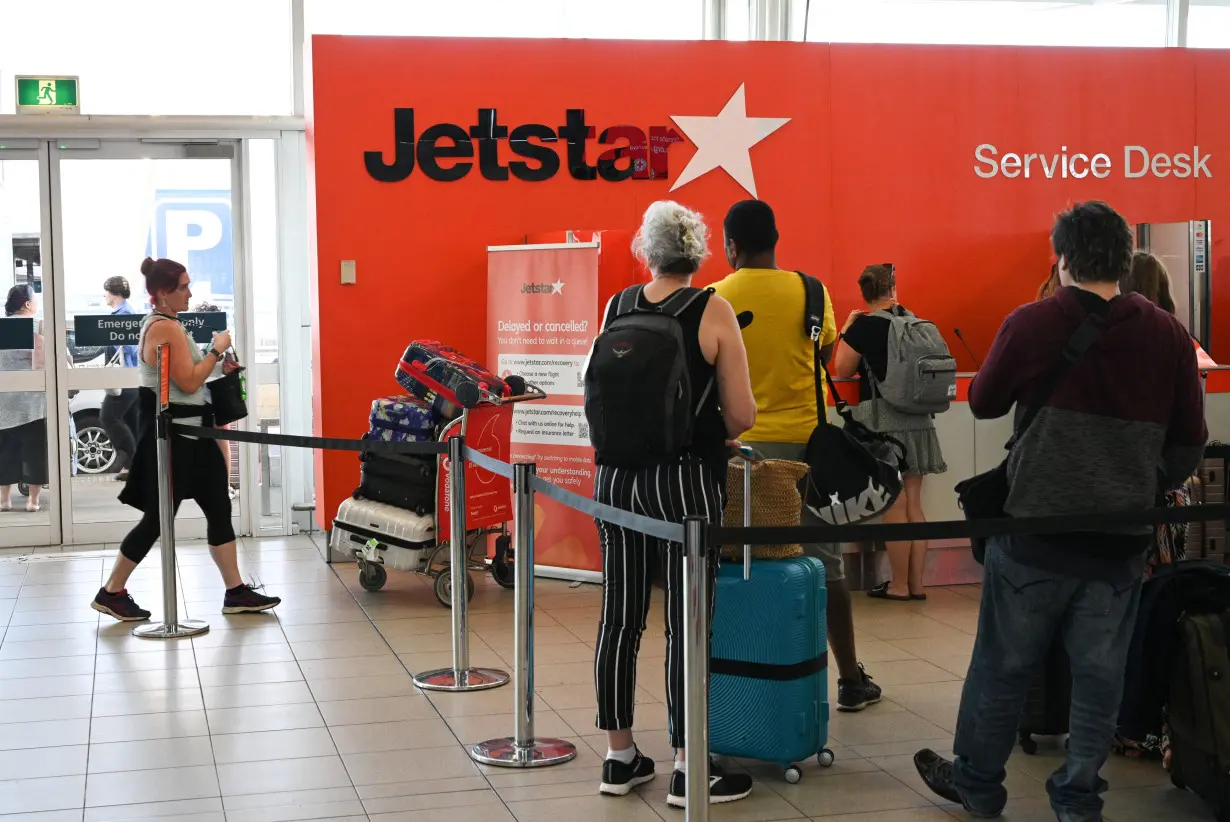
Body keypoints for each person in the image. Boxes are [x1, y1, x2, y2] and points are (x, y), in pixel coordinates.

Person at [913, 202, 1208, 822]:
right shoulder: (1169, 337)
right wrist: (1145, 481)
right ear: (1126, 259)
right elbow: (1188, 443)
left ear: (1063, 257)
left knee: (1002, 665)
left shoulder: (1033, 322)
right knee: (1099, 678)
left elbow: (987, 401)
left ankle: (979, 786)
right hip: (1120, 538)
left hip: (1034, 534)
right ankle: (1077, 796)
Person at [590, 201, 757, 807]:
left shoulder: (618, 307)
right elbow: (740, 414)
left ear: (646, 251)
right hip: (684, 482)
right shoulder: (711, 310)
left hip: (615, 482)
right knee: (687, 621)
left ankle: (618, 756)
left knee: (620, 616)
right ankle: (689, 767)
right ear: (700, 253)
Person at [711, 199, 883, 713]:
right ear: (775, 240)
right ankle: (850, 679)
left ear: (732, 246)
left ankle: (743, 675)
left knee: (736, 564)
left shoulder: (715, 297)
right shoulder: (812, 291)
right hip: (810, 450)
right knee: (826, 566)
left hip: (739, 452)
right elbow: (824, 353)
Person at [91, 257, 280, 621]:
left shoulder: (170, 324)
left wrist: (217, 366)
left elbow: (187, 380)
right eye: (182, 286)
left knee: (218, 505)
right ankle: (112, 590)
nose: (189, 293)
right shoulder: (164, 328)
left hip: (191, 433)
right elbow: (190, 382)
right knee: (158, 518)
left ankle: (235, 590)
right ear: (162, 292)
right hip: (176, 437)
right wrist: (216, 350)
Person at [831, 264, 947, 601]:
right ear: (893, 289)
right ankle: (916, 584)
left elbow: (842, 369)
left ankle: (897, 586)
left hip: (885, 423)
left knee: (894, 505)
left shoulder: (866, 326)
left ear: (864, 293)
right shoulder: (915, 322)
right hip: (920, 421)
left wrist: (847, 329)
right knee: (914, 503)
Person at [0, 285, 48, 512]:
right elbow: (43, 362)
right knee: (35, 450)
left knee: (5, 450)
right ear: (27, 304)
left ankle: (4, 500)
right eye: (35, 299)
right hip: (31, 403)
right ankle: (32, 501)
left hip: (3, 401)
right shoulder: (36, 327)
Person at [101, 276, 141, 481]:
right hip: (132, 378)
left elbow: (131, 348)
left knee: (108, 416)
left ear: (114, 293)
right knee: (130, 421)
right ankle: (134, 467)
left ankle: (126, 454)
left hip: (127, 377)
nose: (104, 296)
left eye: (106, 292)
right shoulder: (123, 312)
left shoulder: (124, 314)